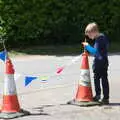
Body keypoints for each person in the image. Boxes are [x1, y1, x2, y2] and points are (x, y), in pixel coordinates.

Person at [82, 22, 109, 104]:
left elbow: (95, 52)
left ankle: (98, 96)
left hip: (99, 63)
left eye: (89, 35)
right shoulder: (103, 37)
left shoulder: (99, 39)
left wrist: (87, 46)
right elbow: (101, 50)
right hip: (104, 61)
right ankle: (106, 98)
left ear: (94, 32)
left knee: (97, 79)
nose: (90, 37)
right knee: (104, 79)